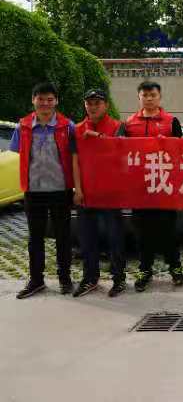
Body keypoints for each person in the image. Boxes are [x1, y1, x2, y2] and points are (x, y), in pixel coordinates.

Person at [10, 82, 77, 299]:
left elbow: (75, 158)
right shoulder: (22, 127)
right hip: (33, 190)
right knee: (35, 238)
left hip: (61, 190)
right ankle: (36, 280)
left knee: (63, 237)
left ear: (56, 101)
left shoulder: (68, 127)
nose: (45, 103)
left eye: (50, 99)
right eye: (40, 99)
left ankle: (65, 278)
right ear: (33, 100)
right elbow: (19, 154)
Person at [118, 81, 183, 292]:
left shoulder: (171, 122)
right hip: (140, 188)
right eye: (145, 95)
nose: (149, 98)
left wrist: (168, 146)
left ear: (159, 97)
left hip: (165, 185)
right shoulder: (128, 124)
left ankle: (175, 267)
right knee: (142, 232)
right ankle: (145, 270)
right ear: (139, 97)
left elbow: (181, 151)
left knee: (168, 231)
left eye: (152, 95)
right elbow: (120, 152)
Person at [72, 89, 127, 298]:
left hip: (111, 194)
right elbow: (75, 161)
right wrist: (77, 189)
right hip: (86, 194)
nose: (93, 107)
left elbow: (121, 152)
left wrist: (97, 136)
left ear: (106, 105)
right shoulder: (77, 129)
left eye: (97, 103)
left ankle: (119, 278)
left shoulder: (118, 127)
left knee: (115, 239)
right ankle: (90, 278)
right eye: (89, 103)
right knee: (87, 240)